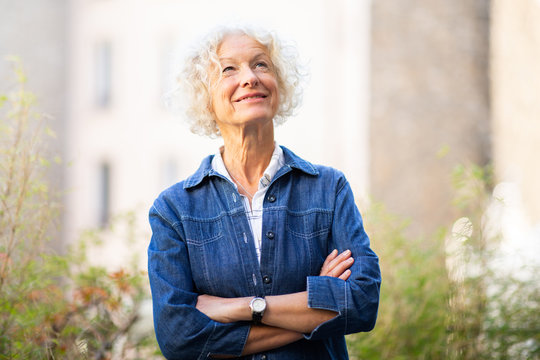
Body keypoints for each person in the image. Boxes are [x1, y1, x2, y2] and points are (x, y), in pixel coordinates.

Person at [148, 26, 381, 360]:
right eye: (229, 69)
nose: (250, 78)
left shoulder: (328, 189)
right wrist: (313, 306)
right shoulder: (174, 210)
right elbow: (179, 337)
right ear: (204, 96)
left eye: (261, 65)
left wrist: (239, 308)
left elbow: (361, 302)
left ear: (279, 84)